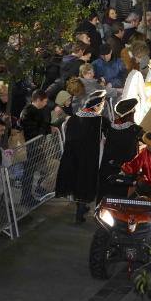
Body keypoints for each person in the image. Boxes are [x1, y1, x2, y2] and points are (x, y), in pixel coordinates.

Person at [55, 91, 109, 223]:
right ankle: (80, 213)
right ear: (96, 106)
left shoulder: (74, 118)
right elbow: (110, 135)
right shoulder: (99, 120)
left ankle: (81, 207)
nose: (102, 107)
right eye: (101, 105)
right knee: (86, 181)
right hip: (90, 158)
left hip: (73, 157)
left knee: (77, 181)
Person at [99, 98, 143, 200]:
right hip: (126, 170)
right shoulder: (136, 129)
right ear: (131, 113)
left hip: (108, 169)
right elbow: (150, 140)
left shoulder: (109, 127)